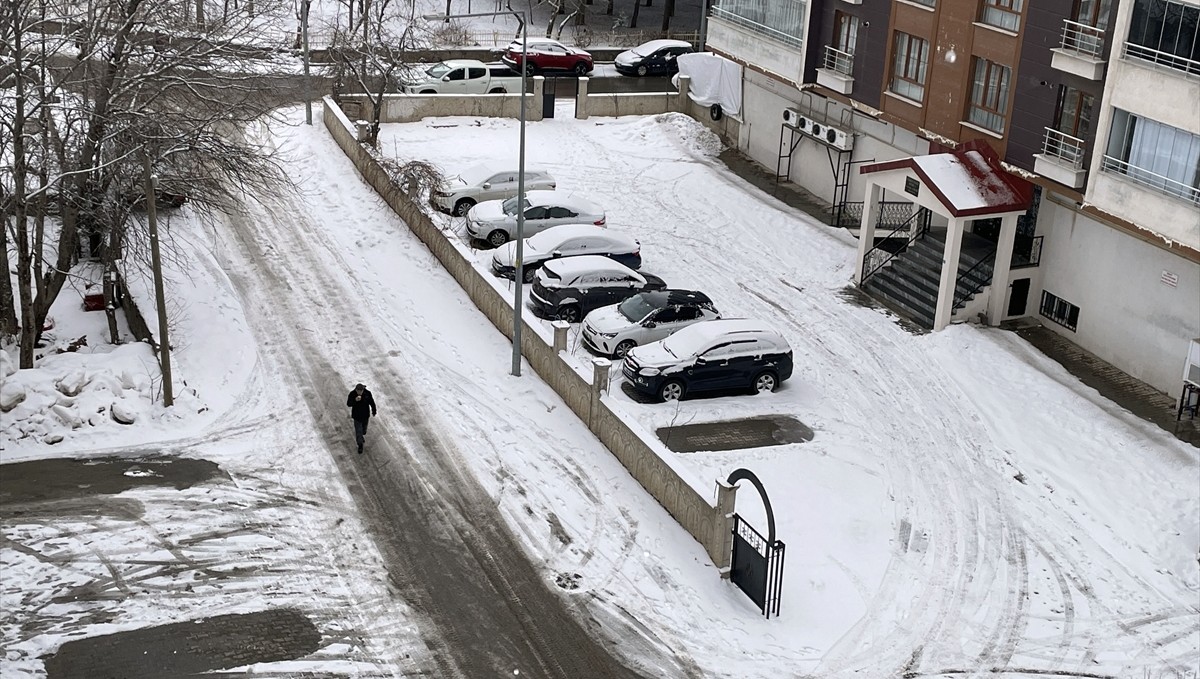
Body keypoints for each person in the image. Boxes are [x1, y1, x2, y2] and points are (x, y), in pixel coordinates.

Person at [346, 383, 377, 454]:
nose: (359, 392)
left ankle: (362, 436)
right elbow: (348, 404)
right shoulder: (352, 394)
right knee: (358, 431)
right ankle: (360, 445)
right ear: (356, 390)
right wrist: (355, 400)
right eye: (358, 391)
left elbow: (372, 402)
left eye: (361, 391)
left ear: (363, 390)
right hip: (357, 417)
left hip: (365, 415)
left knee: (363, 431)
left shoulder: (367, 393)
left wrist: (374, 410)